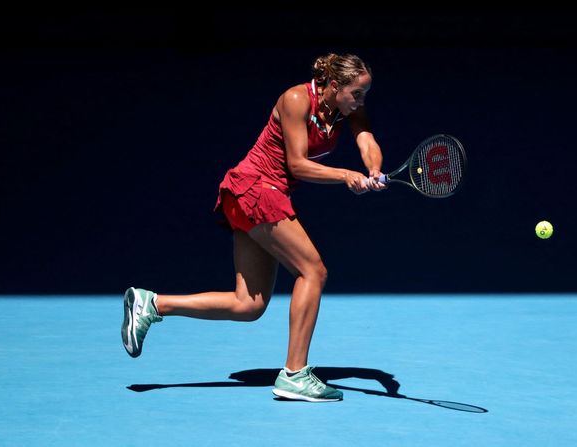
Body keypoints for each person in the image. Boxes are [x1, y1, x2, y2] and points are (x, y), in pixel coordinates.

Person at [121, 53, 385, 402]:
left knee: (249, 305)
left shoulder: (345, 109)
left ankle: (152, 305)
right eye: (357, 93)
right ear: (334, 86)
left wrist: (374, 170)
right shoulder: (295, 99)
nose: (361, 100)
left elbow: (365, 139)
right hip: (254, 189)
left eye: (364, 94)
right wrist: (346, 175)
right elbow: (298, 164)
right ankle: (295, 374)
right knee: (313, 271)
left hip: (258, 196)